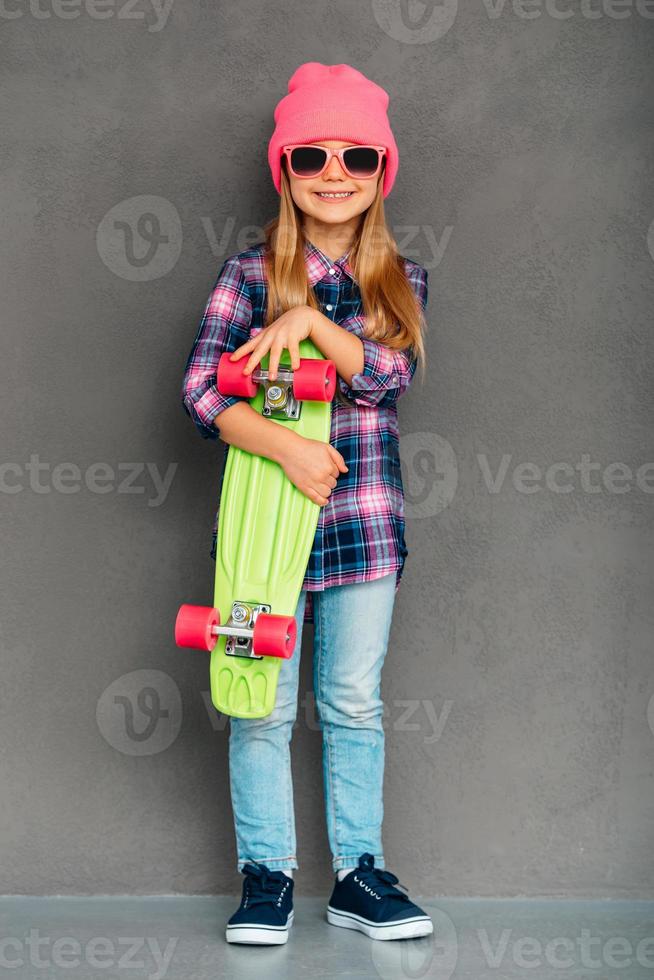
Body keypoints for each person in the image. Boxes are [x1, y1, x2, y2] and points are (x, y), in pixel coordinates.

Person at [181, 61, 433, 945]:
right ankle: (266, 876)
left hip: (364, 530)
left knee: (353, 701)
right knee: (259, 701)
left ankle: (359, 873)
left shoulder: (399, 277)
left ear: (379, 172)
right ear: (285, 170)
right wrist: (289, 448)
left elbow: (388, 375)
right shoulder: (246, 275)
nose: (335, 173)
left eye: (357, 155)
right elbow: (204, 396)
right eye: (312, 155)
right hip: (258, 537)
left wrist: (312, 326)